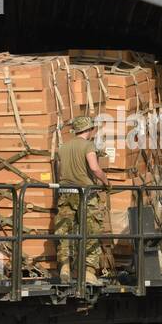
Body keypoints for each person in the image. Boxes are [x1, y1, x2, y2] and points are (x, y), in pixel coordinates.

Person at [54, 115, 108, 286]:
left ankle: (65, 268)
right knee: (91, 232)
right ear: (89, 129)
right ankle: (88, 273)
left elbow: (59, 171)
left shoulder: (62, 148)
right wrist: (106, 182)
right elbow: (94, 168)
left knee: (65, 231)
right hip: (86, 195)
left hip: (64, 193)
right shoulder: (88, 145)